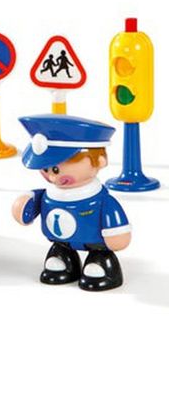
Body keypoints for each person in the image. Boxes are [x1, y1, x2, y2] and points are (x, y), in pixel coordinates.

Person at [12, 115, 131, 291]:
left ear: (99, 161)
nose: (52, 177)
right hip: (62, 242)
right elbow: (29, 206)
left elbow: (114, 220)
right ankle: (64, 260)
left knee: (97, 266)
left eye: (56, 169)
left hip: (96, 245)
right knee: (58, 259)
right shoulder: (49, 195)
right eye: (46, 169)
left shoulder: (101, 200)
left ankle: (101, 262)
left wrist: (117, 234)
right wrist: (24, 205)